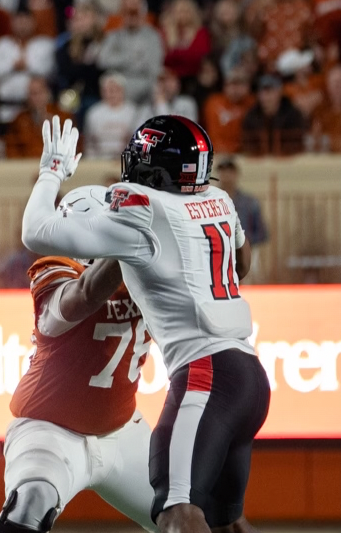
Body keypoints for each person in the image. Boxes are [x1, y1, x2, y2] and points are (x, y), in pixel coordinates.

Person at [20, 116, 270, 533]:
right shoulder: (219, 198)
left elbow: (36, 232)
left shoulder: (141, 210)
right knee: (225, 523)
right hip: (249, 375)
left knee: (176, 513)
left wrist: (51, 173)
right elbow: (242, 265)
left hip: (205, 375)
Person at [0, 185, 155, 533]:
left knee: (198, 518)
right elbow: (84, 295)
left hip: (124, 432)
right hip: (50, 429)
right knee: (30, 506)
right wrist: (129, 242)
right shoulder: (55, 271)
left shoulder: (147, 271)